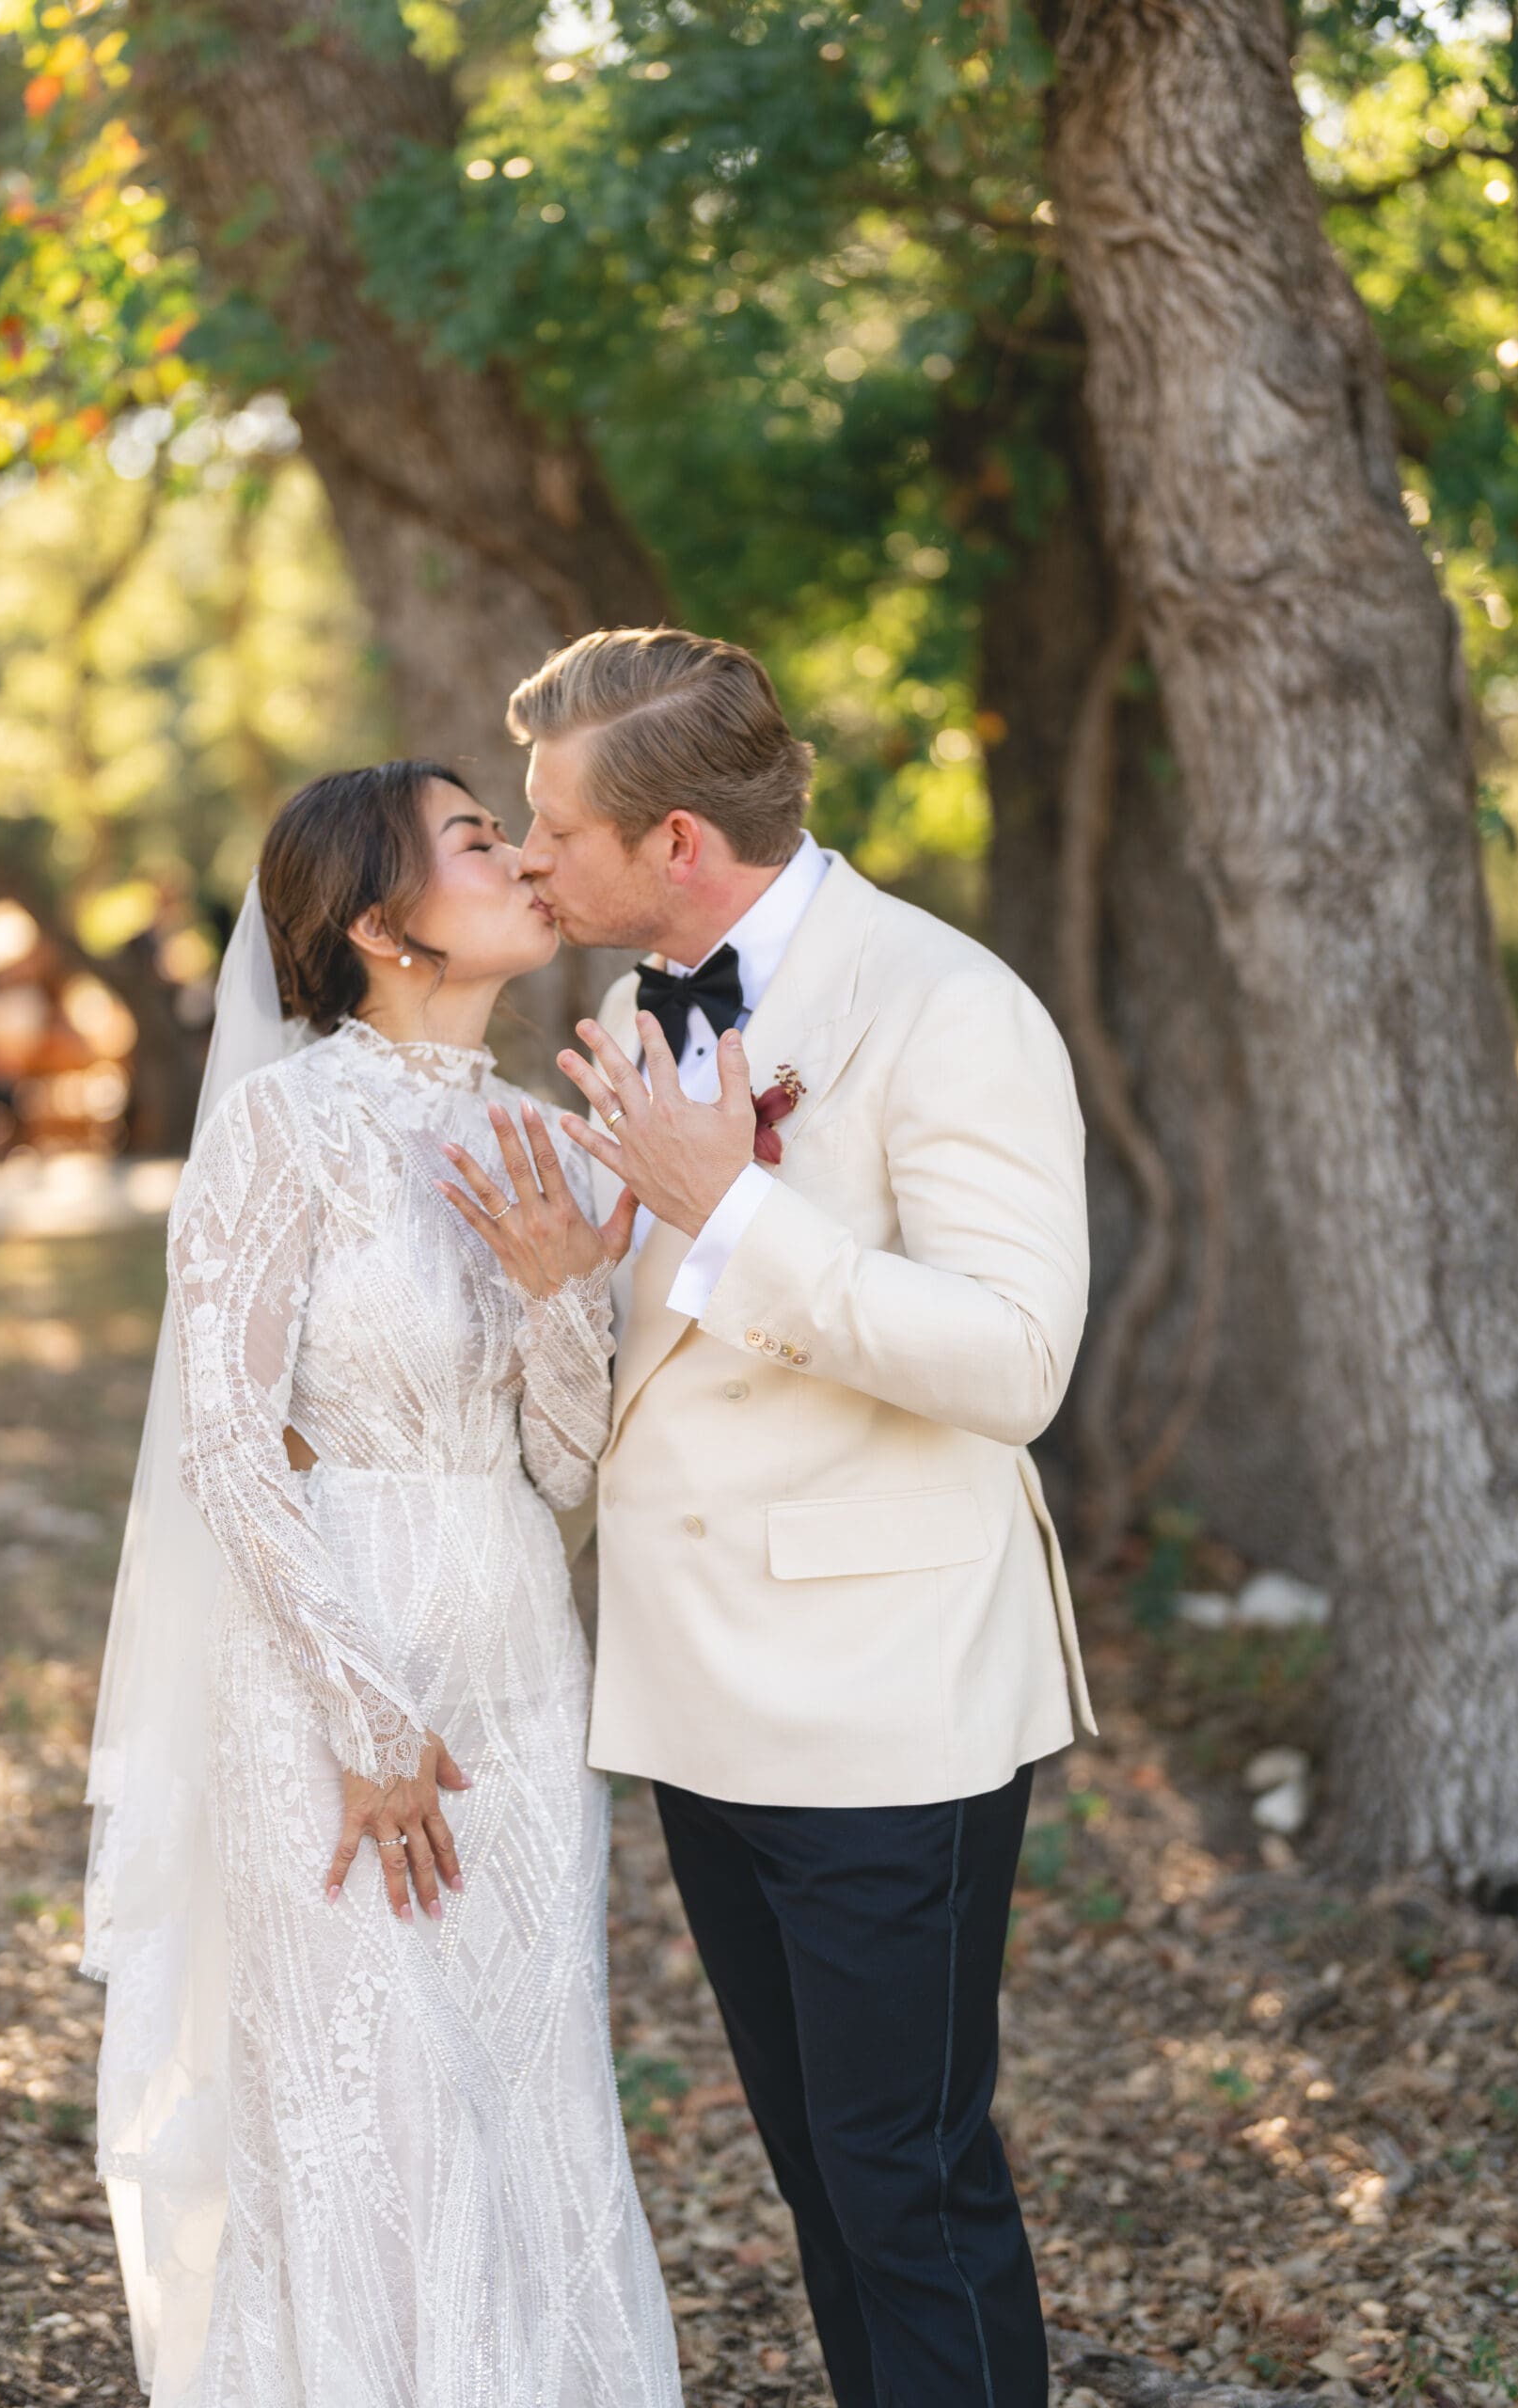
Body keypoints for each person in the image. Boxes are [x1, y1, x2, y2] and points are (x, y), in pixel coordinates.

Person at [489, 626, 1095, 2408]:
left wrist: (739, 1218)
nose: (529, 861)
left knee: (908, 2180)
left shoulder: (946, 1003)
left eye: (554, 828)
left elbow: (1017, 1362)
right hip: (697, 1691)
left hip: (885, 1693)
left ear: (677, 842)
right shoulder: (625, 1014)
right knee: (823, 2177)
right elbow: (649, 1365)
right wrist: (555, 1292)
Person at [87, 763, 680, 2408]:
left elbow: (567, 1471)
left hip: (514, 1658)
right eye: (479, 839)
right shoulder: (284, 1127)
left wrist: (568, 1295)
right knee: (383, 2098)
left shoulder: (546, 1139)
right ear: (375, 923)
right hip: (330, 1664)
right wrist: (362, 1711)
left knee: (524, 2076)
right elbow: (221, 1439)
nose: (522, 857)